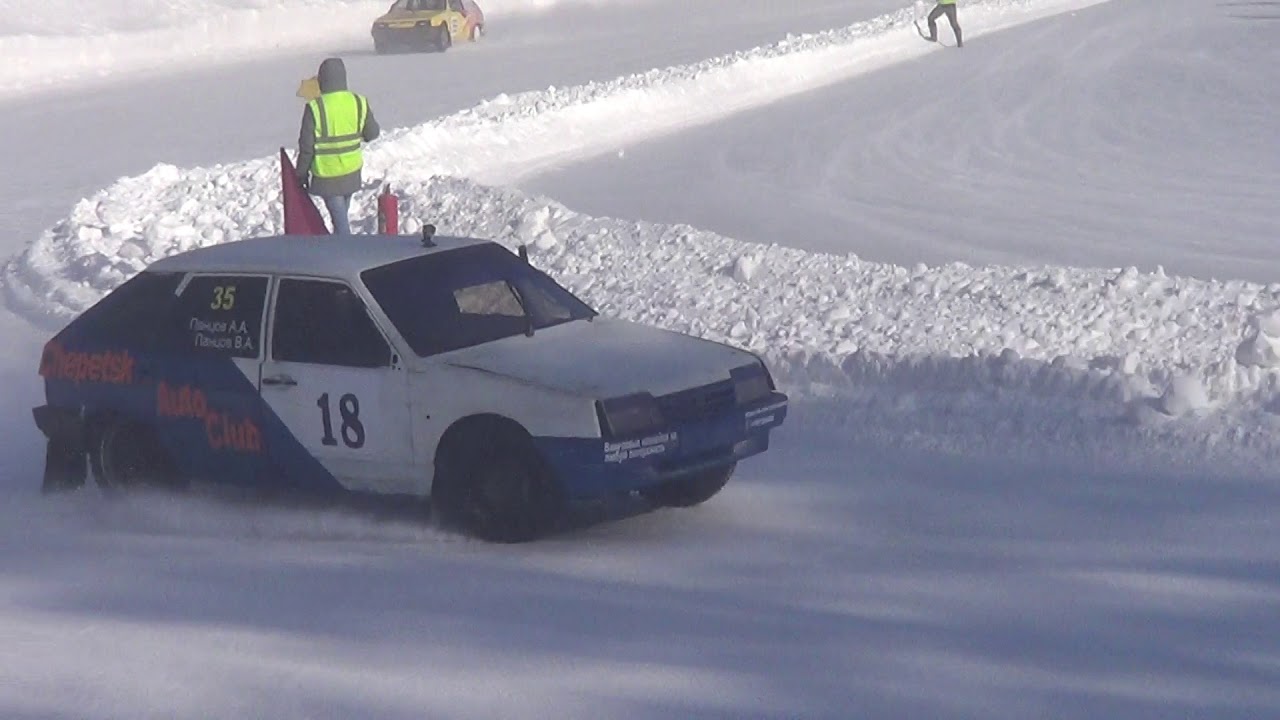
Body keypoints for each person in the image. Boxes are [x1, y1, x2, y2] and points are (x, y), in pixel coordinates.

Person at [296, 57, 381, 235]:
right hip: (351, 172)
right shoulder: (359, 102)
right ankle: (340, 248)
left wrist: (301, 174)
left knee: (341, 225)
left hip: (328, 175)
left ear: (322, 80)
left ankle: (346, 252)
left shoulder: (315, 107)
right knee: (340, 217)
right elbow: (372, 133)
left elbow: (306, 146)